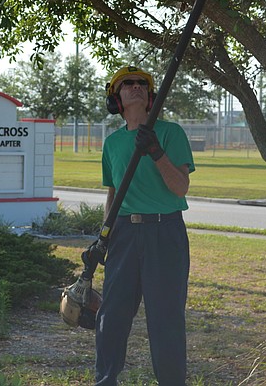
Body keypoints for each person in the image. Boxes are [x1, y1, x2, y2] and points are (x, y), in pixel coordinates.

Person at [96, 65, 195, 386]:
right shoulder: (112, 143)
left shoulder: (170, 133)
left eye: (142, 83)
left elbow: (180, 188)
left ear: (151, 97)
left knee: (166, 318)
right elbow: (113, 193)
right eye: (127, 83)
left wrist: (156, 152)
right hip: (124, 234)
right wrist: (103, 236)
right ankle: (105, 380)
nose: (136, 86)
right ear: (116, 99)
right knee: (112, 315)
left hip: (165, 232)